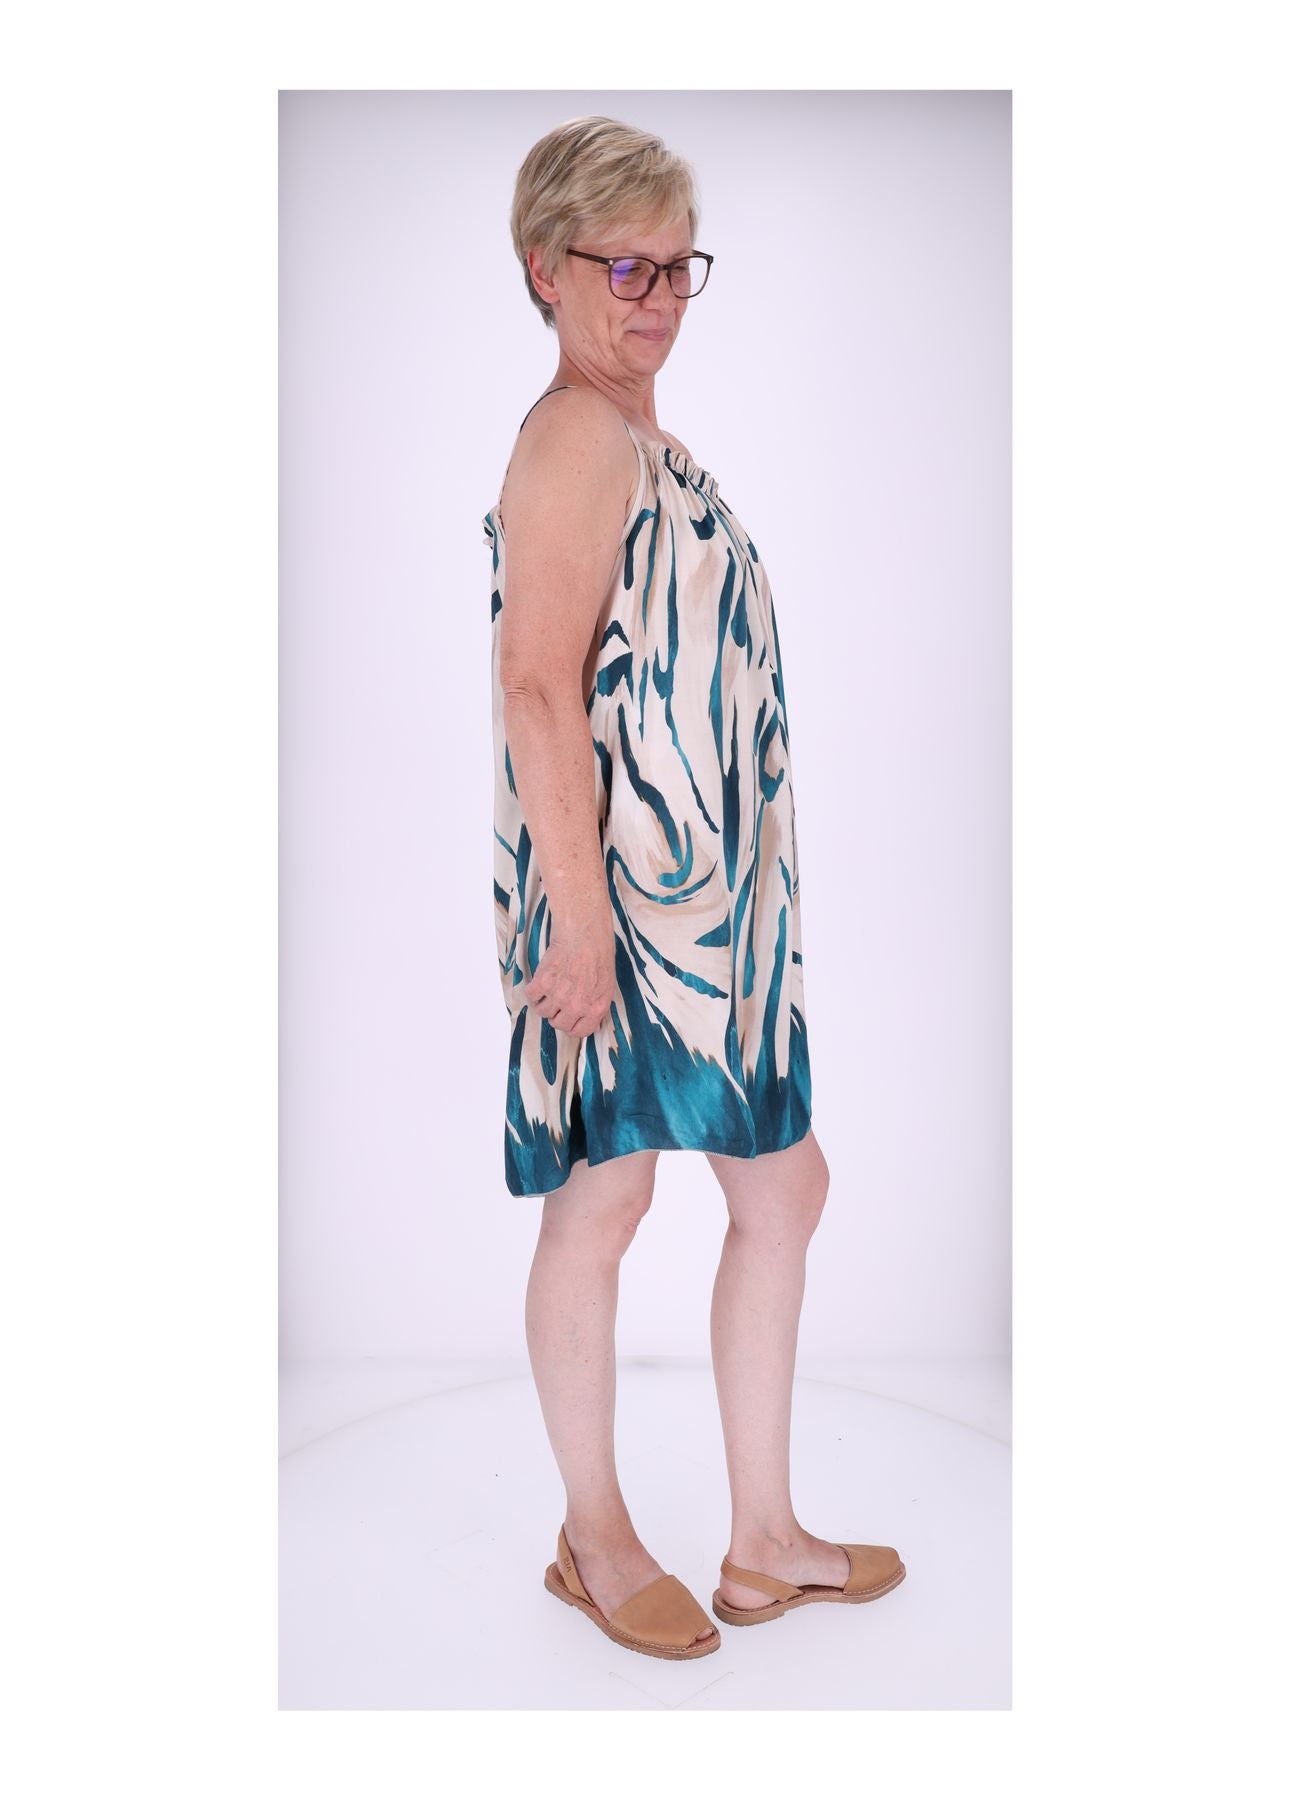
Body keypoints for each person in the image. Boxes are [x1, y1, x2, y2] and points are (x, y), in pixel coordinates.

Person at [481, 116, 904, 1660]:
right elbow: (538, 688)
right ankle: (592, 1541)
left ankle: (762, 1541)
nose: (656, 298)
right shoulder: (572, 441)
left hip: (707, 920)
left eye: (675, 266)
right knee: (605, 1202)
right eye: (624, 267)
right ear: (547, 269)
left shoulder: (637, 439)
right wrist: (581, 922)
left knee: (779, 1188)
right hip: (627, 915)